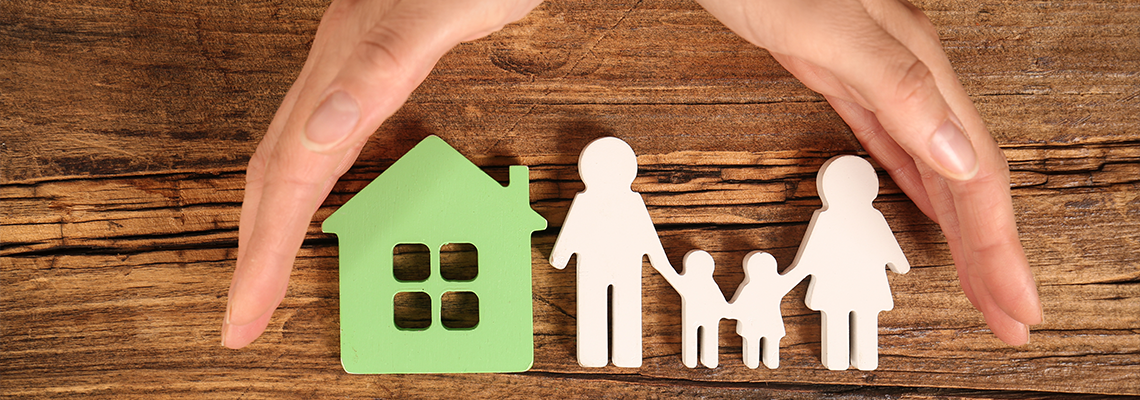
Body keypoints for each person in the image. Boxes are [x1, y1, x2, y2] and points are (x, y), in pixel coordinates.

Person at [221, 0, 1043, 350]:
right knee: (602, 318)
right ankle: (605, 344)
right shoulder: (599, 203)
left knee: (616, 312)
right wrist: (585, 255)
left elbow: (645, 239)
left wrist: (664, 269)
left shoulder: (839, 218)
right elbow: (609, 236)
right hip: (606, 269)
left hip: (644, 270)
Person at [549, 137, 673, 368]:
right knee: (597, 306)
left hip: (619, 265)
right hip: (599, 265)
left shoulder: (628, 201)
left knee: (621, 307)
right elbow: (572, 230)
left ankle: (622, 354)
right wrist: (561, 255)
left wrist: (561, 257)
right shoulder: (589, 201)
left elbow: (646, 234)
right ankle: (597, 354)